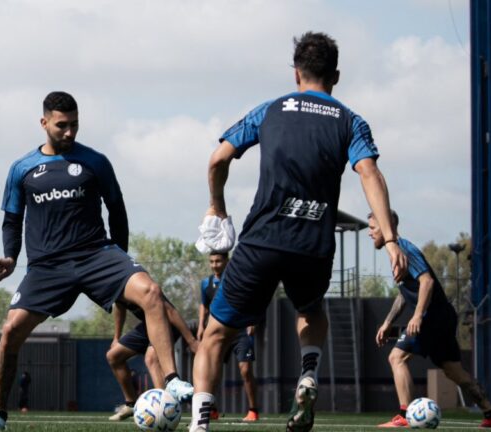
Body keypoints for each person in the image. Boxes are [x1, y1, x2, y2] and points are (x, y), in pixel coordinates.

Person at [189, 32, 407, 432]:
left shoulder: (271, 110)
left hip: (262, 241)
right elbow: (369, 172)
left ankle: (199, 424)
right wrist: (390, 240)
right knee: (311, 311)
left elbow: (218, 159)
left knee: (216, 334)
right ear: (335, 76)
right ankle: (308, 373)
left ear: (296, 74)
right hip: (313, 243)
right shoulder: (350, 121)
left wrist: (217, 206)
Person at [0, 91, 193, 432]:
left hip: (96, 256)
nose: (70, 132)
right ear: (44, 123)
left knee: (150, 291)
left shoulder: (96, 161)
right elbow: (12, 220)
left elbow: (117, 211)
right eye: (62, 125)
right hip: (47, 267)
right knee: (10, 331)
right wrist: (11, 257)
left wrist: (121, 264)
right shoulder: (22, 169)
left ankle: (172, 379)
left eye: (75, 124)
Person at [369, 211, 491, 429]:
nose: (370, 233)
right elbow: (405, 292)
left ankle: (404, 415)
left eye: (373, 228)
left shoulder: (404, 248)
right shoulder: (395, 252)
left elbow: (427, 282)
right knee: (453, 371)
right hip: (442, 316)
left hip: (432, 317)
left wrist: (417, 315)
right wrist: (388, 322)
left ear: (388, 227)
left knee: (397, 358)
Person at [107, 296, 199, 421]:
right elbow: (119, 306)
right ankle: (131, 404)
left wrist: (191, 341)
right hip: (147, 324)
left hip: (166, 323)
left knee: (151, 359)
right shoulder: (118, 289)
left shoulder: (143, 285)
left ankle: (165, 409)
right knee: (114, 356)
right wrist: (116, 337)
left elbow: (170, 310)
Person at [196, 252, 259, 422]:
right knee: (212, 369)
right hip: (218, 332)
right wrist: (201, 325)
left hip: (240, 330)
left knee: (245, 370)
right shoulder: (206, 283)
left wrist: (252, 320)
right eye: (211, 261)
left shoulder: (236, 279)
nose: (215, 264)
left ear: (227, 261)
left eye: (218, 261)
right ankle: (211, 408)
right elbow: (204, 304)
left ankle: (253, 410)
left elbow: (252, 296)